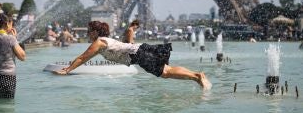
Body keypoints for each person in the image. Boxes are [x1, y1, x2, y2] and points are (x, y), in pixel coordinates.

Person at [54, 21, 212, 90]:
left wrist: (67, 70)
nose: (88, 34)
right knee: (166, 71)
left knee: (165, 72)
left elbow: (83, 57)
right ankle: (196, 76)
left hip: (138, 54)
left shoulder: (99, 42)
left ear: (95, 32)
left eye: (89, 31)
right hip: (139, 52)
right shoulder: (103, 41)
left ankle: (197, 76)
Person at [0, 14, 26, 99]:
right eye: (11, 24)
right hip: (7, 77)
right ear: (7, 24)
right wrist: (15, 39)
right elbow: (22, 57)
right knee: (8, 106)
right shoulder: (11, 39)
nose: (12, 27)